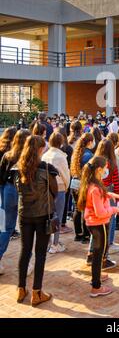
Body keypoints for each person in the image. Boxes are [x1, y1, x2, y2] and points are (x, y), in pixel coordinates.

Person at [16, 135, 58, 306]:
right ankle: (36, 292)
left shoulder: (19, 167)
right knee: (40, 254)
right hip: (42, 215)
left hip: (24, 214)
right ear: (40, 150)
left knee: (25, 251)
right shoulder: (46, 169)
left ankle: (20, 289)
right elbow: (54, 191)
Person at [78, 156, 119, 297]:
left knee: (99, 254)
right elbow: (101, 212)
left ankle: (97, 276)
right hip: (98, 224)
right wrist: (114, 210)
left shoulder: (92, 183)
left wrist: (112, 195)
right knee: (99, 255)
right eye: (104, 169)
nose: (106, 171)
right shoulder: (95, 188)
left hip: (94, 222)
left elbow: (101, 196)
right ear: (99, 169)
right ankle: (96, 286)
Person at [0, 129, 30, 275]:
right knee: (27, 227)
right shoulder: (28, 156)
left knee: (6, 227)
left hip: (7, 190)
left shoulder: (7, 155)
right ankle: (27, 264)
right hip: (24, 191)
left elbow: (1, 176)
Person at [42, 132, 70, 254]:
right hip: (59, 187)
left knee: (48, 215)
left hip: (46, 187)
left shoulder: (45, 155)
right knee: (57, 216)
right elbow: (65, 174)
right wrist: (66, 185)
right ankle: (55, 243)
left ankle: (49, 243)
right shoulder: (61, 156)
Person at [95, 139, 119, 260]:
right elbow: (116, 183)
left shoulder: (94, 163)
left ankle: (96, 247)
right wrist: (117, 197)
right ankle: (108, 244)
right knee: (110, 220)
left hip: (95, 192)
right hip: (109, 193)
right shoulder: (112, 164)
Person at [70, 133, 95, 243]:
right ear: (90, 142)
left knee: (77, 208)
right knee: (86, 208)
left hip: (74, 182)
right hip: (83, 184)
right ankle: (85, 235)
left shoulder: (76, 153)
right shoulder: (88, 155)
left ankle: (78, 234)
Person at [57, 127, 73, 234]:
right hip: (66, 175)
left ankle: (59, 223)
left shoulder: (53, 149)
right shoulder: (68, 148)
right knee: (65, 200)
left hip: (55, 178)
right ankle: (62, 224)